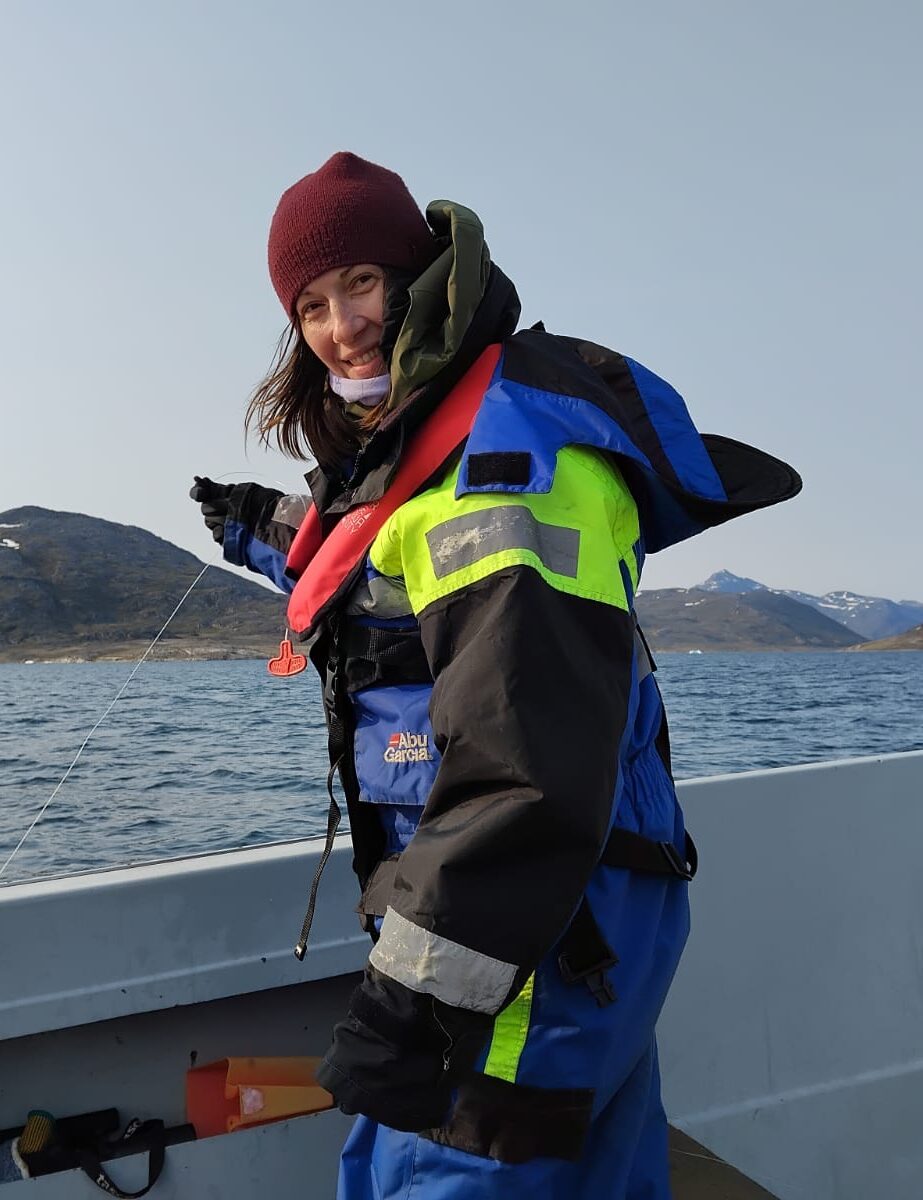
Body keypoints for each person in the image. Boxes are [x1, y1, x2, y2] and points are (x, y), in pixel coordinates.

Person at [192, 151, 800, 1199]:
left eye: (363, 284)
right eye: (312, 304)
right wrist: (270, 530)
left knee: (428, 1173)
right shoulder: (450, 433)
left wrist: (413, 1007)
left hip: (535, 942)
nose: (341, 324)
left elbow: (524, 764)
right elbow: (393, 578)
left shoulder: (504, 456)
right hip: (583, 920)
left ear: (423, 274)